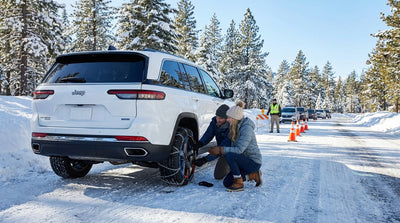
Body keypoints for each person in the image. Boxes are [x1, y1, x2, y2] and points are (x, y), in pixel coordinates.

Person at [208, 100, 262, 192]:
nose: (227, 119)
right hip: (242, 160)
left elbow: (239, 150)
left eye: (229, 118)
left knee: (230, 155)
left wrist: (221, 150)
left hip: (253, 162)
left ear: (235, 118)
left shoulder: (246, 129)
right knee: (227, 183)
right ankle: (253, 175)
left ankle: (239, 183)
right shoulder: (234, 128)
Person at [193, 104, 232, 180]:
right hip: (223, 151)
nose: (218, 120)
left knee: (231, 178)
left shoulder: (232, 128)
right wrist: (200, 143)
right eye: (217, 117)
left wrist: (205, 159)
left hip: (233, 152)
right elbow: (208, 135)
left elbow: (223, 147)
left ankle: (246, 171)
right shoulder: (214, 122)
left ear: (227, 118)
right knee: (218, 175)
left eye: (221, 118)